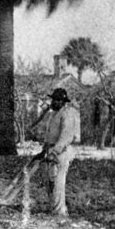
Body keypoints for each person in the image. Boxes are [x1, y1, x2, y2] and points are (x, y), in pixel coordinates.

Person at [43, 88, 80, 217]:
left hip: (62, 151)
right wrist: (46, 148)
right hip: (51, 149)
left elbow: (66, 136)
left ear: (63, 102)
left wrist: (55, 151)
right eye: (53, 99)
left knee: (59, 182)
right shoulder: (54, 114)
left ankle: (60, 212)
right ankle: (53, 208)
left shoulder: (67, 114)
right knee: (50, 181)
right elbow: (50, 134)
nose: (53, 102)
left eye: (57, 100)